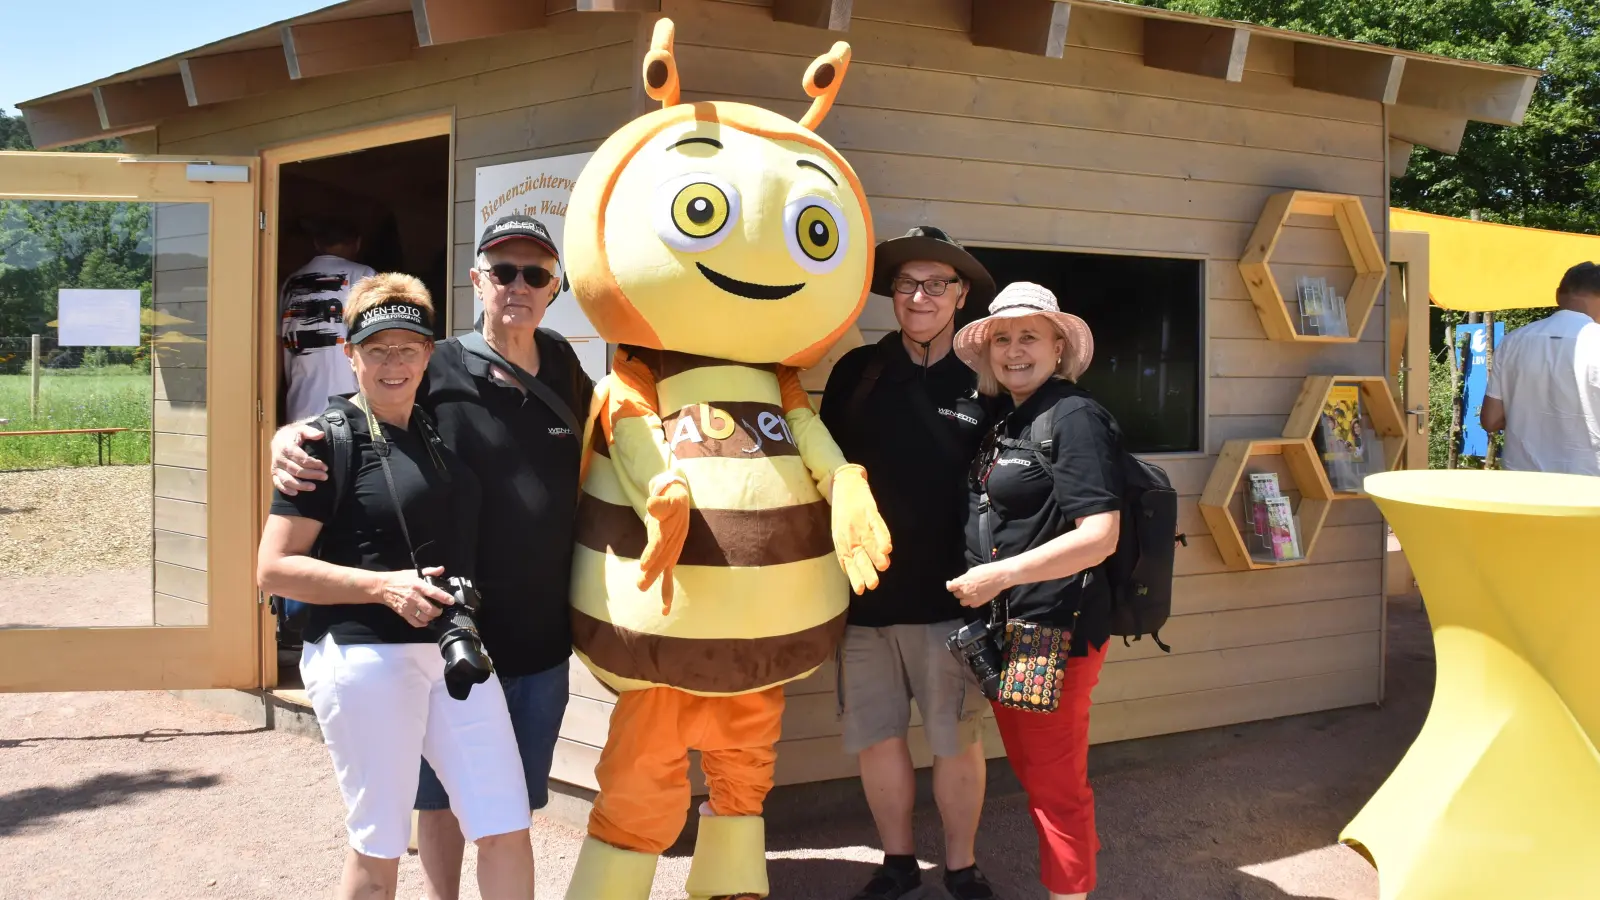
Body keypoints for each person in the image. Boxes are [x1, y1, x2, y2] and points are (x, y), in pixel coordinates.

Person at [270, 214, 594, 900]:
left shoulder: (565, 365)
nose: (517, 285)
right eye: (502, 271)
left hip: (523, 639)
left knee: (508, 813)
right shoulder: (434, 360)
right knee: (422, 809)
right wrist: (291, 437)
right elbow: (351, 417)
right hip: (415, 642)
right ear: (477, 279)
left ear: (555, 286)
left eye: (535, 274)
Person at [819, 226, 1001, 900]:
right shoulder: (856, 374)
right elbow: (826, 471)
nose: (919, 296)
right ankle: (896, 862)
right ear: (892, 294)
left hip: (955, 600)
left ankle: (961, 865)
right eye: (906, 284)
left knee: (955, 741)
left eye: (936, 284)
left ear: (959, 296)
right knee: (878, 738)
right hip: (866, 601)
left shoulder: (987, 378)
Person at [946, 283, 1123, 900]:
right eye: (1002, 338)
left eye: (1029, 337)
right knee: (1038, 776)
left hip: (1051, 633)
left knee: (1054, 789)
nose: (1014, 350)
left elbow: (1099, 536)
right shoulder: (1010, 418)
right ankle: (1077, 871)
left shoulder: (1074, 418)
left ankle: (1071, 890)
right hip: (1011, 632)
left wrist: (1000, 575)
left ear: (1058, 346)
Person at [1480, 261, 1600, 475]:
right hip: (1588, 483)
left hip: (1524, 481)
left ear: (1557, 295)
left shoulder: (1513, 341)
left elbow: (1490, 420)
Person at [280, 217, 376, 424]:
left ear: (316, 244)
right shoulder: (364, 275)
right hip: (350, 406)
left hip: (300, 403)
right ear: (357, 243)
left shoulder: (291, 282)